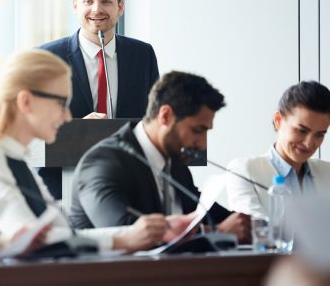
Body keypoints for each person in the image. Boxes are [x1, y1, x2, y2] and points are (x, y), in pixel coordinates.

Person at [0, 50, 190, 253]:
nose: (67, 116)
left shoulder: (15, 159)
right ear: (26, 101)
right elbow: (30, 239)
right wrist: (125, 239)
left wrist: (141, 232)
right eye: (61, 104)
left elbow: (65, 233)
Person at [69, 71, 251, 243]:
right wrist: (217, 232)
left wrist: (255, 225)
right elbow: (125, 232)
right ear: (165, 116)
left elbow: (207, 213)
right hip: (112, 275)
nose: (202, 144)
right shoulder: (103, 163)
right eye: (197, 130)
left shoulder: (175, 162)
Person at [38, 0, 159, 197]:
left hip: (130, 185)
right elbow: (33, 136)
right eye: (88, 1)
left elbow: (153, 121)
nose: (97, 9)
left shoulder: (142, 55)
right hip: (64, 189)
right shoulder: (47, 58)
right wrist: (77, 131)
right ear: (75, 6)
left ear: (120, 7)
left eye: (106, 1)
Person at [226, 81, 330, 218]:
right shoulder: (244, 171)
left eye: (319, 135)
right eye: (302, 131)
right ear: (278, 120)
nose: (309, 144)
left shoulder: (327, 172)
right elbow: (254, 231)